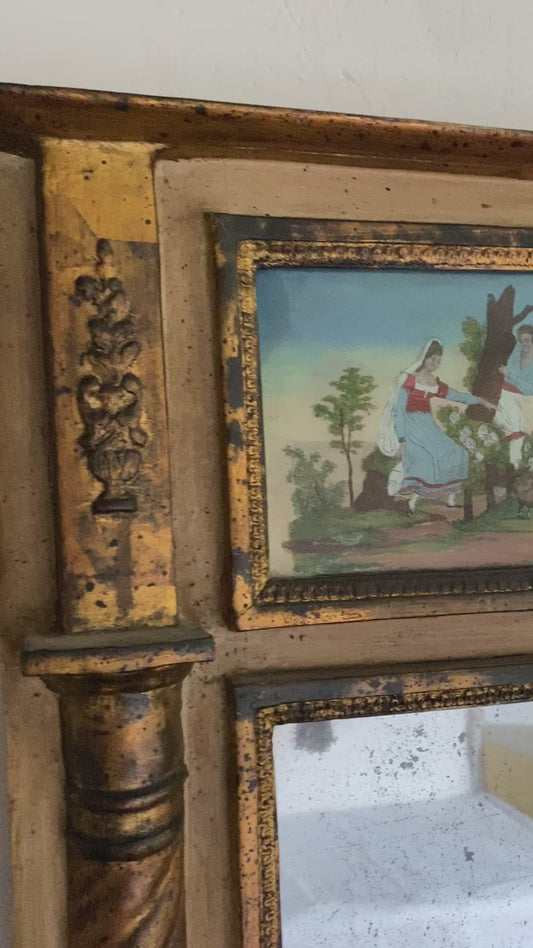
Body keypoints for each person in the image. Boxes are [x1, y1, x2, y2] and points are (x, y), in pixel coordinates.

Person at [378, 339, 495, 512]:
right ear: (424, 357)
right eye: (432, 359)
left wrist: (480, 401)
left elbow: (456, 395)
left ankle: (451, 500)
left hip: (428, 426)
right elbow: (399, 412)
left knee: (456, 452)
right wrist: (402, 440)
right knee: (427, 459)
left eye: (438, 361)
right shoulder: (409, 380)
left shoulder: (434, 383)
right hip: (411, 427)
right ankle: (410, 504)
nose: (435, 363)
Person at [495, 324, 533, 467]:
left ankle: (516, 466)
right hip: (504, 392)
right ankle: (514, 465)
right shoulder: (515, 356)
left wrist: (511, 375)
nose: (524, 344)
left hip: (520, 397)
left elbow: (530, 388)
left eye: (527, 340)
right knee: (516, 425)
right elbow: (503, 373)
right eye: (521, 341)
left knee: (518, 426)